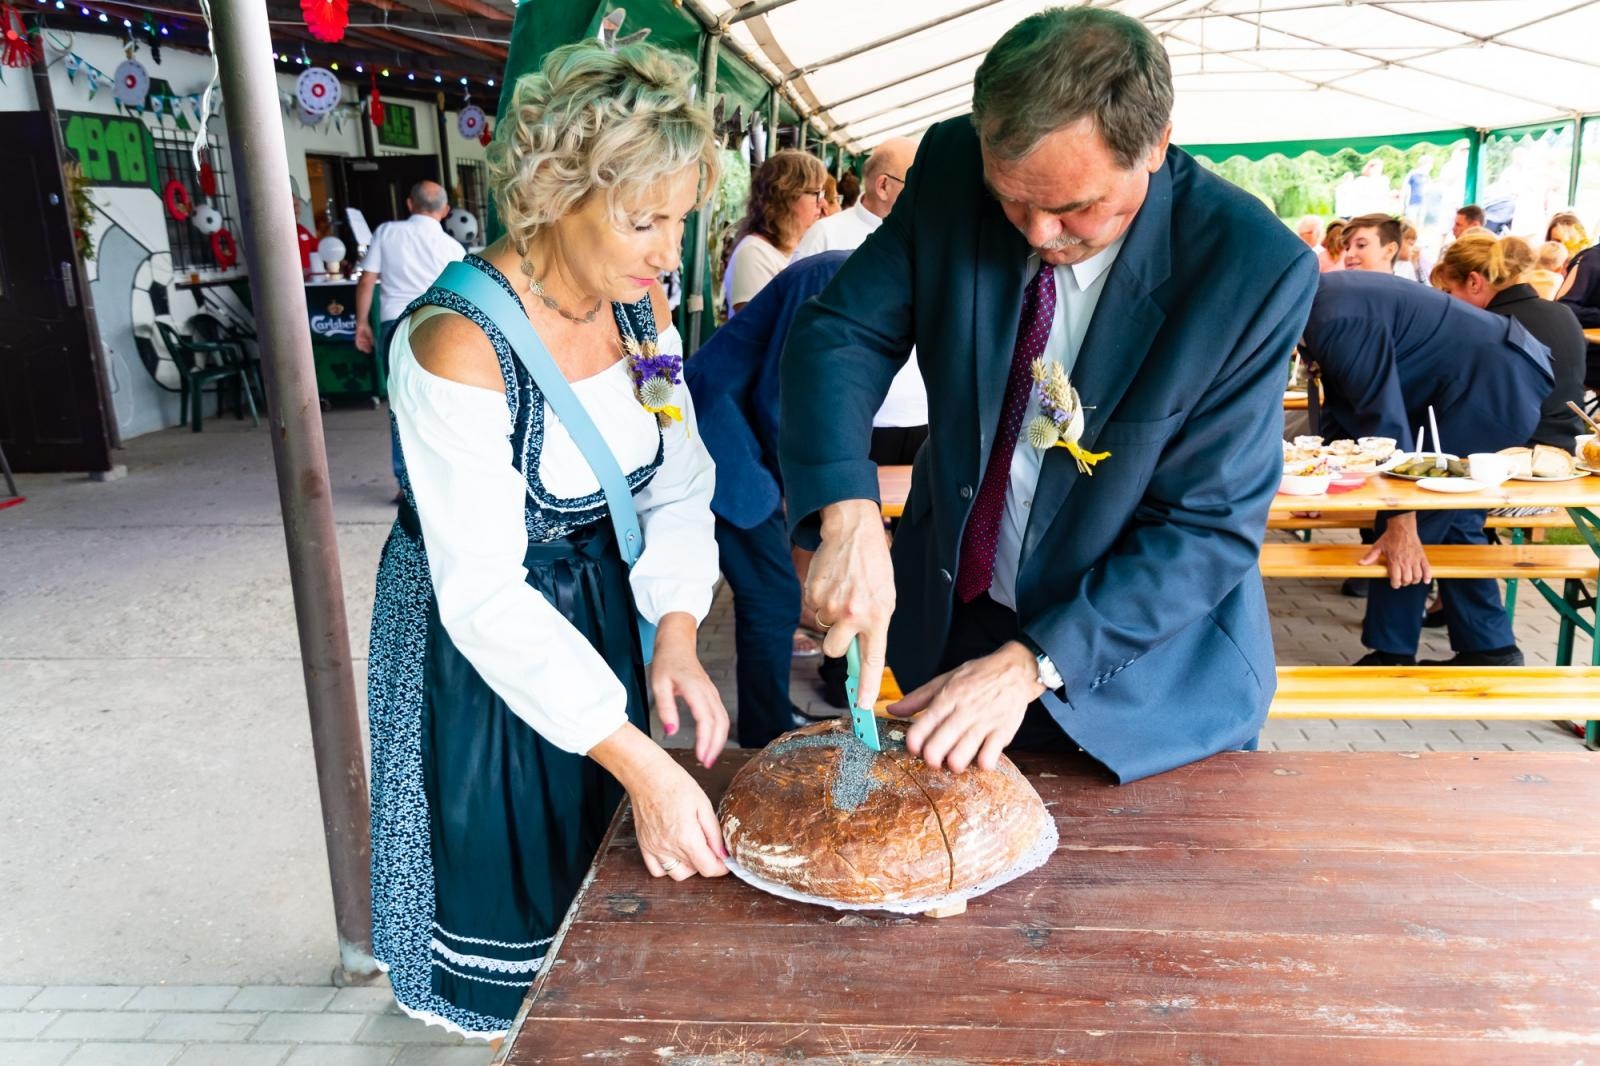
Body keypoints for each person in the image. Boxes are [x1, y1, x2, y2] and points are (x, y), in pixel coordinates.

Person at [779, 8, 1319, 784]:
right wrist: (850, 513)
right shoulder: (951, 164)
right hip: (960, 623)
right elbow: (840, 337)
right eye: (1012, 198)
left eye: (1075, 208)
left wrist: (1036, 663)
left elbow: (1206, 527)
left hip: (1140, 684)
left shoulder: (1251, 269)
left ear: (1157, 144)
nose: (1037, 232)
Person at [366, 41, 730, 1044]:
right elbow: (481, 594)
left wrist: (674, 629)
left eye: (680, 219)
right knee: (518, 914)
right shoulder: (458, 342)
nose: (668, 251)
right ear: (555, 193)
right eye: (642, 218)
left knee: (609, 887)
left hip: (600, 613)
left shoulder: (642, 309)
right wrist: (645, 764)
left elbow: (678, 476)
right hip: (480, 656)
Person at [1299, 271, 1553, 667]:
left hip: (1491, 384)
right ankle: (1490, 648)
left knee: (1412, 517)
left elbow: (1382, 417)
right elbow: (1343, 401)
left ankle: (1392, 654)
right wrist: (1323, 477)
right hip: (1489, 374)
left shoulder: (1334, 317)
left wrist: (1400, 515)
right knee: (1453, 519)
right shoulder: (1320, 304)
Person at [685, 251, 852, 746]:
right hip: (720, 436)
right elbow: (779, 396)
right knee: (772, 594)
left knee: (771, 594)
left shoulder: (840, 271)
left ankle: (769, 720)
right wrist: (802, 490)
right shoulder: (830, 275)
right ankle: (764, 733)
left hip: (739, 437)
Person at [791, 137, 928, 462]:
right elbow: (797, 324)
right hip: (851, 418)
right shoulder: (826, 235)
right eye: (918, 181)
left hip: (922, 414)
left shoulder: (932, 239)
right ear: (883, 185)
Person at [355, 181, 466, 492]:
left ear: (408, 204)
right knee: (440, 401)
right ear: (445, 211)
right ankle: (441, 479)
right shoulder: (453, 248)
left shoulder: (386, 233)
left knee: (400, 404)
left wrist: (361, 323)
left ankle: (407, 484)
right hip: (437, 327)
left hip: (394, 324)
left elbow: (367, 282)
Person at [1432, 233, 1585, 448]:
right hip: (1567, 450)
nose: (1446, 301)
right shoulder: (1563, 313)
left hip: (1509, 460)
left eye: (1449, 291)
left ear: (1474, 282)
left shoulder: (1485, 326)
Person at [724, 150, 827, 314]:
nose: (822, 203)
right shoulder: (753, 253)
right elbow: (756, 329)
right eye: (816, 193)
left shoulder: (797, 248)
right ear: (785, 195)